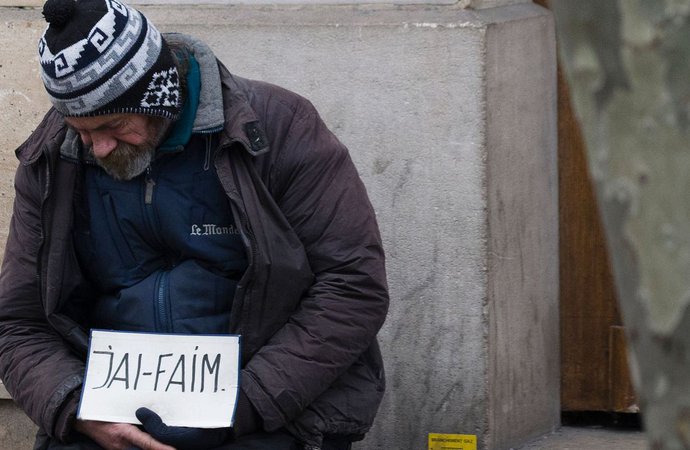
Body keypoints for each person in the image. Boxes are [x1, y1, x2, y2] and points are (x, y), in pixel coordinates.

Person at [0, 0, 389, 448]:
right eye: (82, 131)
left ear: (159, 95)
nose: (99, 148)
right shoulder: (52, 157)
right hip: (108, 414)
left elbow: (352, 285)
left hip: (267, 405)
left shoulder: (280, 127)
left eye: (113, 125)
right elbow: (19, 322)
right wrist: (76, 408)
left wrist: (242, 405)